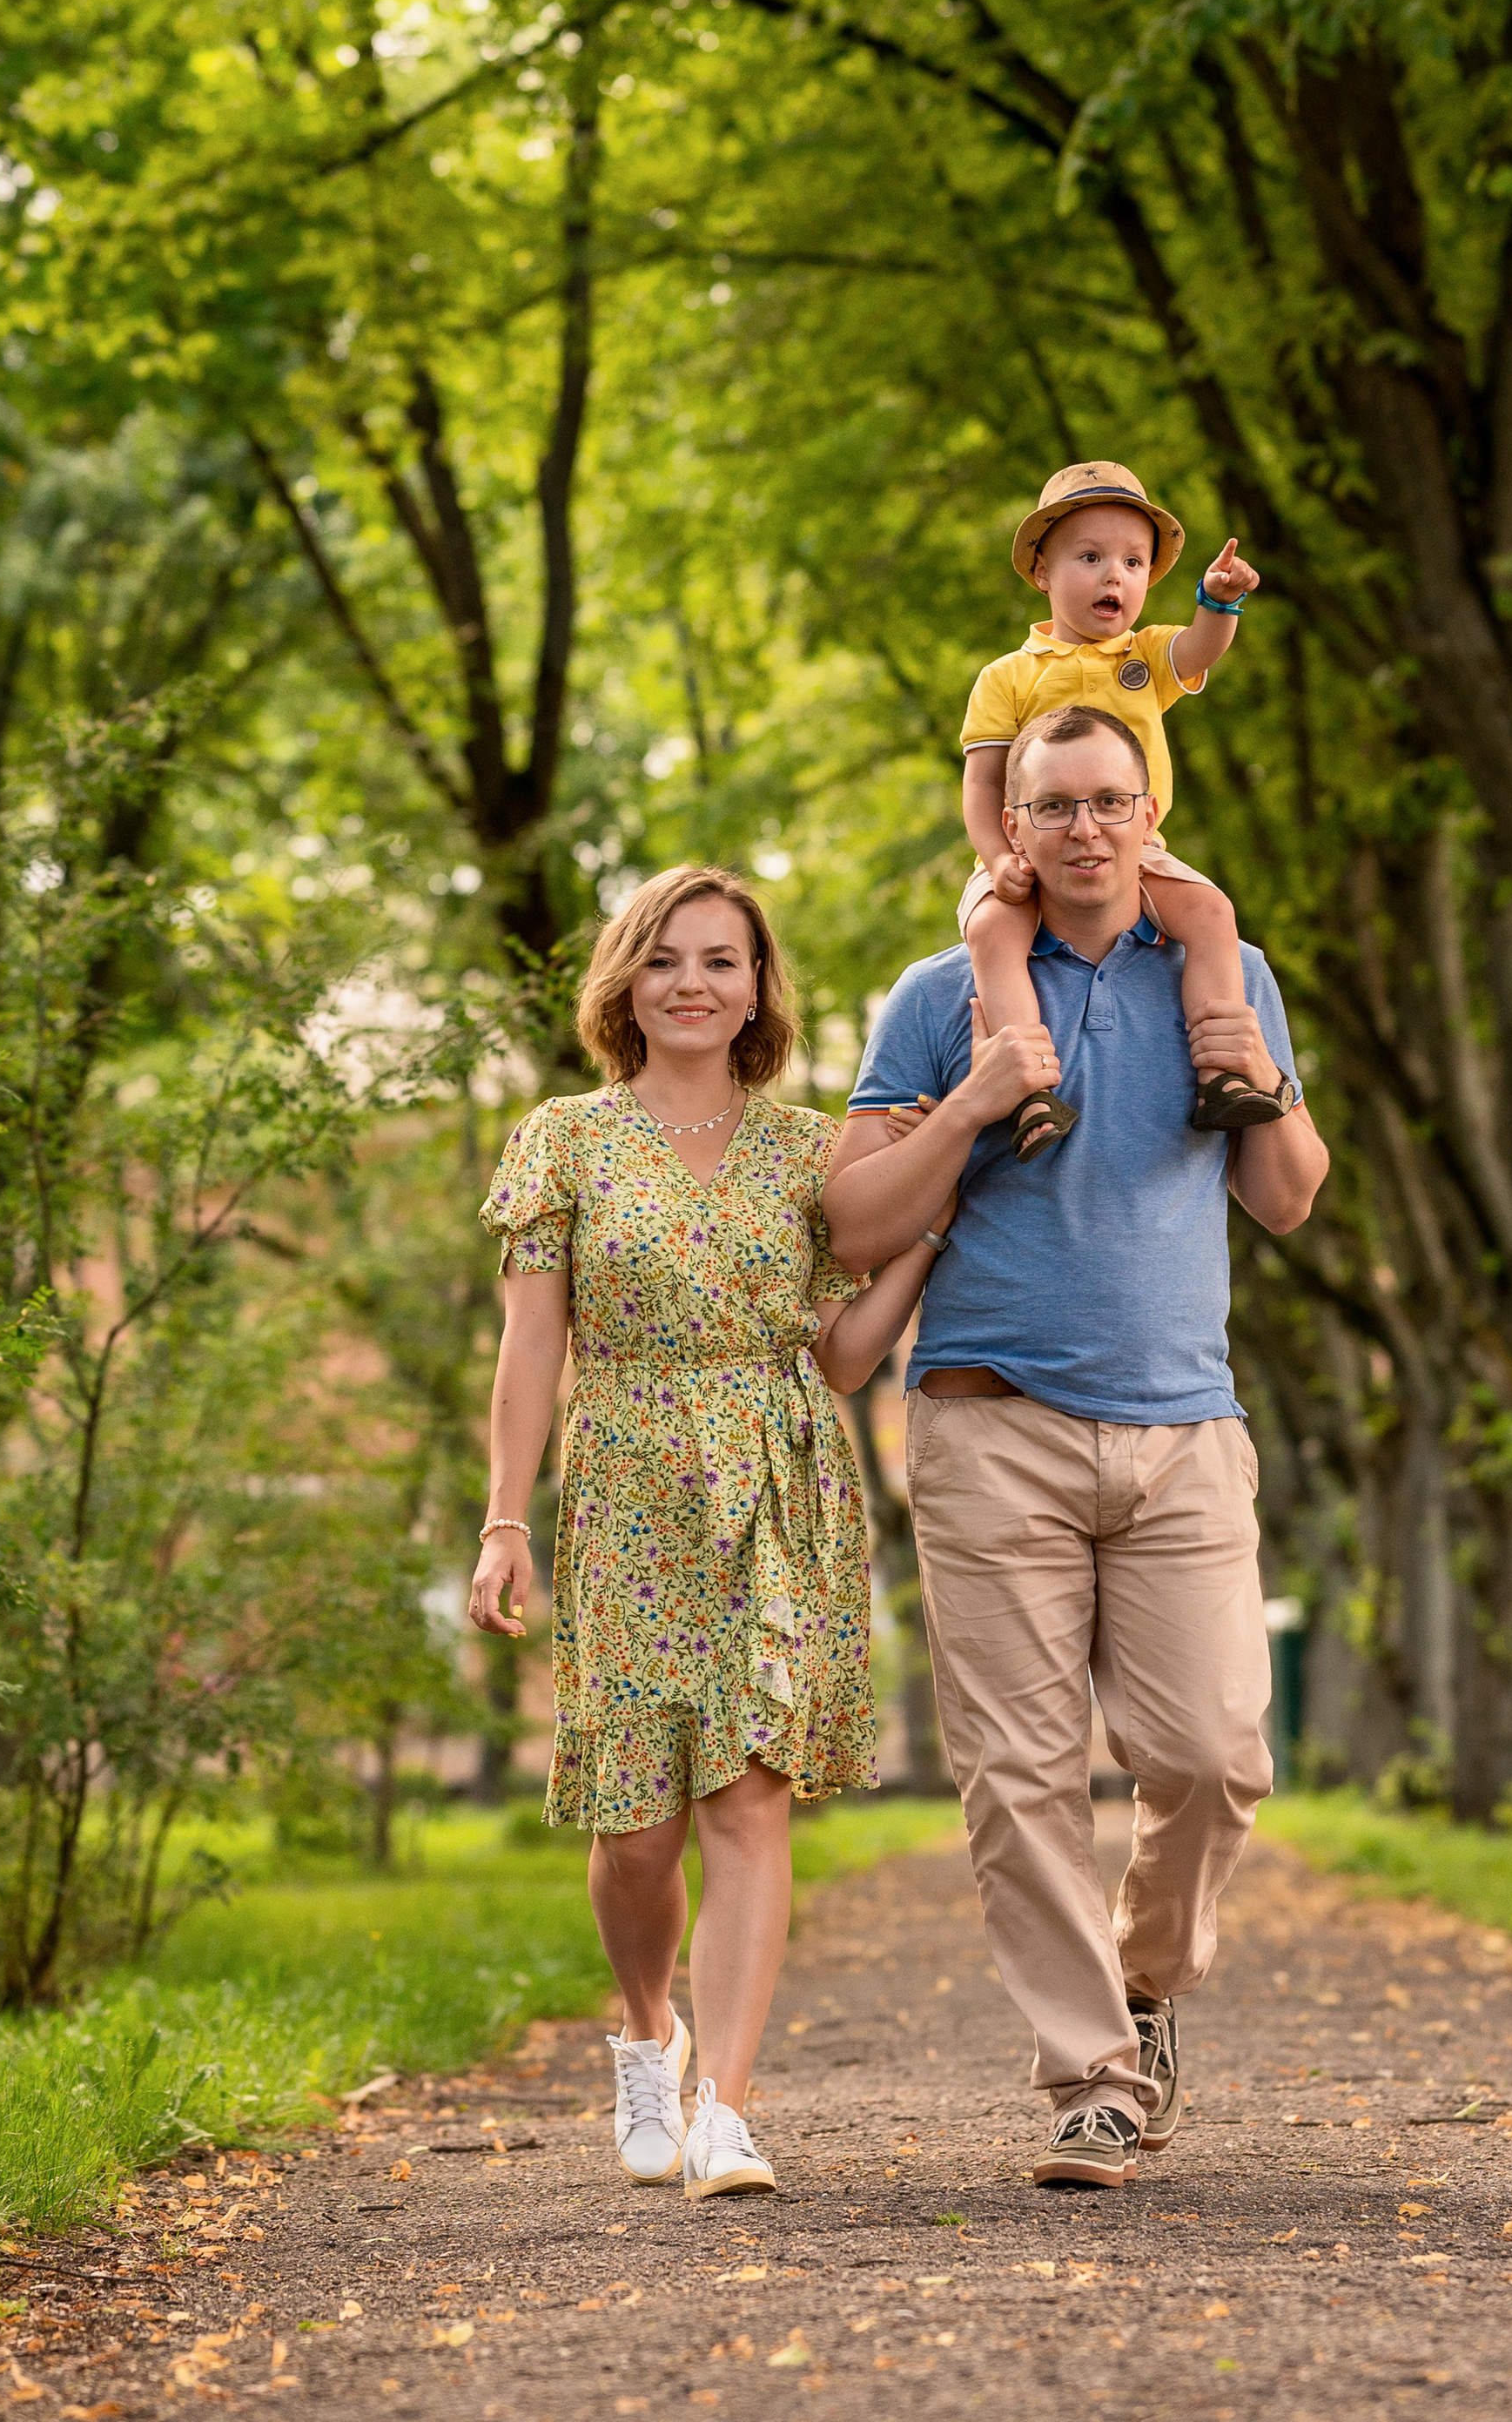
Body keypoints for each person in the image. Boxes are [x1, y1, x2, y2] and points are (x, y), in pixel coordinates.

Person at [824, 706, 1330, 2188]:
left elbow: (1287, 1198)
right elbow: (853, 1224)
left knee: (1216, 1754)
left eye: (1112, 800)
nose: (1086, 829)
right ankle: (1091, 2081)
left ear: (1150, 813)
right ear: (1015, 824)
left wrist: (1246, 1043)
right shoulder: (939, 995)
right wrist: (977, 1103)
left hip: (1184, 1426)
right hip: (988, 1424)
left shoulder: (1227, 972)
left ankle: (1144, 1986)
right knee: (1019, 1774)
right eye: (1056, 805)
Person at [467, 865, 944, 2202]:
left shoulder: (814, 1152)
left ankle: (726, 2108)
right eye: (666, 958)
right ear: (626, 983)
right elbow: (530, 1350)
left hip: (778, 1484)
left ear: (756, 990)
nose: (692, 982)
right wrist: (505, 1519)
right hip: (626, 1484)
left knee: (746, 1792)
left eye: (721, 960)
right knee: (634, 1827)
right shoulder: (563, 1140)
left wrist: (923, 1236)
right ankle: (645, 2034)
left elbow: (843, 1357)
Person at [958, 459, 1285, 1161]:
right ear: (1041, 571)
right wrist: (998, 859)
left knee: (1212, 914)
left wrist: (1218, 602)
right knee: (991, 930)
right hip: (1034, 850)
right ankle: (1028, 1090)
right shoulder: (1008, 676)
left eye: (1134, 562)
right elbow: (983, 785)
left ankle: (1222, 1076)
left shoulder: (1146, 654)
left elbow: (1201, 647)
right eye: (1091, 557)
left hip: (1135, 851)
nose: (1115, 576)